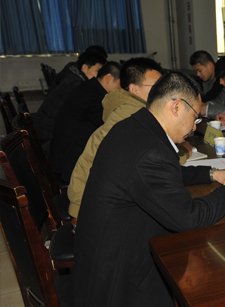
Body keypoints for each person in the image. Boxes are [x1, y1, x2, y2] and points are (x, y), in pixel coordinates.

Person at [72, 72, 225, 307]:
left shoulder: (134, 128)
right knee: (213, 303)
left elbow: (160, 177)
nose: (195, 126)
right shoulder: (150, 151)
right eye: (195, 117)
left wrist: (212, 174)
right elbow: (188, 218)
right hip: (119, 282)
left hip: (106, 258)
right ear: (176, 106)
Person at [68, 57, 191, 218]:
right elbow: (156, 161)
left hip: (92, 196)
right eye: (156, 87)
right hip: (91, 208)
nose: (163, 92)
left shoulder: (124, 105)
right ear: (134, 89)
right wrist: (184, 152)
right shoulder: (132, 115)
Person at [50, 61, 121, 184]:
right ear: (108, 78)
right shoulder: (92, 96)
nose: (120, 89)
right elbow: (108, 123)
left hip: (64, 154)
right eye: (120, 84)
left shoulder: (89, 87)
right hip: (68, 165)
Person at [33, 50, 107, 155]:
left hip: (43, 129)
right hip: (48, 137)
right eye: (97, 71)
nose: (99, 76)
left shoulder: (72, 75)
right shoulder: (76, 85)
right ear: (84, 67)